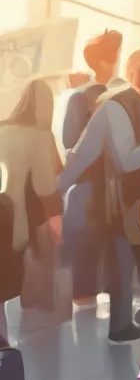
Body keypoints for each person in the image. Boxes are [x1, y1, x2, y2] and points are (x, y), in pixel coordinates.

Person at [60, 49, 140, 343]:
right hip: (127, 201)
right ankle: (139, 332)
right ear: (130, 72)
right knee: (134, 266)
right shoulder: (116, 106)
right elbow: (124, 160)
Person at [60, 29, 122, 308]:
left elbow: (69, 142)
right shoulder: (119, 97)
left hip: (90, 188)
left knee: (87, 267)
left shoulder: (80, 98)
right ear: (108, 61)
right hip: (107, 190)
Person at [0, 79, 63, 339]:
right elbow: (45, 185)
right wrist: (57, 215)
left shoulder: (2, 127)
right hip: (17, 216)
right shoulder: (39, 135)